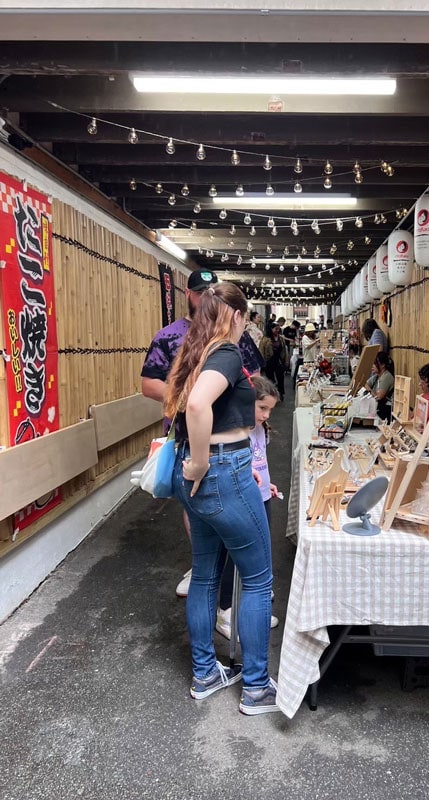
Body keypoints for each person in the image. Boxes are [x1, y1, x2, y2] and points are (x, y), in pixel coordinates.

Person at [165, 281, 279, 714]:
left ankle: (205, 673)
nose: (246, 325)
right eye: (246, 317)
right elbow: (197, 406)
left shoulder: (195, 352)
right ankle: (255, 686)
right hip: (218, 473)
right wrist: (203, 461)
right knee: (257, 579)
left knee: (205, 576)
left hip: (204, 476)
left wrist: (199, 462)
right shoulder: (228, 353)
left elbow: (201, 407)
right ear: (234, 315)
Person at [141, 267, 217, 597]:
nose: (206, 300)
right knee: (193, 502)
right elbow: (148, 384)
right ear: (188, 294)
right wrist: (184, 397)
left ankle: (232, 573)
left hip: (227, 433)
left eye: (212, 294)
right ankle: (202, 566)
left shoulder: (229, 333)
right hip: (183, 433)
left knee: (228, 499)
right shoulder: (169, 336)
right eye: (201, 293)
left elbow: (253, 375)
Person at [216, 376, 281, 640]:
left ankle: (253, 609)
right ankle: (226, 611)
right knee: (234, 556)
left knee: (260, 553)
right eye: (262, 408)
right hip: (243, 499)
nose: (266, 415)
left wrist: (268, 484)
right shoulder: (236, 431)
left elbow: (260, 463)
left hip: (262, 495)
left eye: (270, 410)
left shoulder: (260, 429)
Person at [259, 324, 289, 401]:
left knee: (280, 377)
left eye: (278, 329)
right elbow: (261, 350)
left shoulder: (280, 338)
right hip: (269, 361)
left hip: (279, 360)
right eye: (276, 329)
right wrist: (262, 362)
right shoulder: (265, 339)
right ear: (271, 329)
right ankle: (272, 394)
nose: (277, 330)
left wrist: (286, 361)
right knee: (270, 379)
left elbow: (284, 350)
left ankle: (281, 393)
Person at [366, 352, 395, 422]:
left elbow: (379, 397)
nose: (372, 366)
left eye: (375, 364)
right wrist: (371, 391)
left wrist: (370, 391)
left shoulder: (387, 377)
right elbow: (365, 384)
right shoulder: (376, 376)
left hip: (386, 412)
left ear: (383, 365)